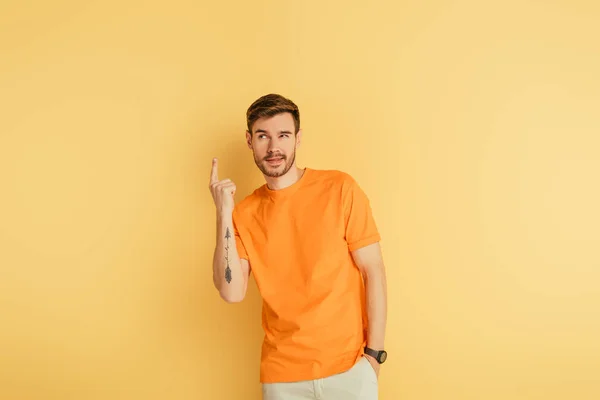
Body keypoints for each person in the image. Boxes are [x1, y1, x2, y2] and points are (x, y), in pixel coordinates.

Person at [209, 93, 388, 400]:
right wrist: (223, 212)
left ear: (298, 138)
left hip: (349, 369)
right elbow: (231, 291)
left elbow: (373, 271)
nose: (274, 147)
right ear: (249, 141)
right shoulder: (244, 213)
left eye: (283, 135)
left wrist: (374, 356)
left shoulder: (340, 188)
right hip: (283, 377)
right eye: (263, 136)